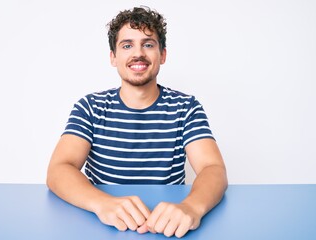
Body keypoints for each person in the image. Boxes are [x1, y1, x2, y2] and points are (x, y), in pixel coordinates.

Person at [47, 6, 227, 238]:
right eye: (127, 45)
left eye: (148, 44)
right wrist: (102, 204)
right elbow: (59, 169)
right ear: (114, 57)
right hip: (103, 225)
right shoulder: (90, 107)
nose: (138, 53)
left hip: (168, 228)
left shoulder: (186, 108)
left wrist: (192, 207)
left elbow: (212, 168)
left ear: (162, 54)